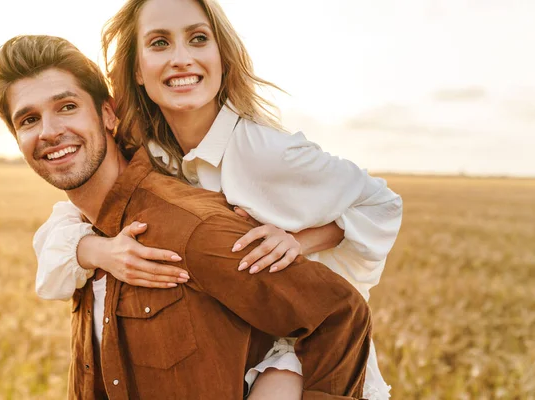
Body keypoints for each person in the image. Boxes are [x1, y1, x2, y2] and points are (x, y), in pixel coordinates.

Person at [34, 0, 403, 398]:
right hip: (239, 340)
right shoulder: (145, 145)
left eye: (197, 39)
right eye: (159, 43)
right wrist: (98, 250)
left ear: (222, 58)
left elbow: (381, 204)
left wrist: (299, 240)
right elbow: (71, 214)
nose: (180, 58)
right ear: (137, 70)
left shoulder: (268, 152)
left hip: (308, 347)